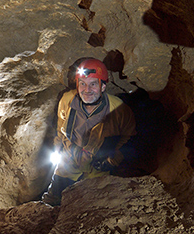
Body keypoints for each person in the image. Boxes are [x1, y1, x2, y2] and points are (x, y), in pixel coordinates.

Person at [41, 58, 136, 206]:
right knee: (52, 201)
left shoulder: (119, 110)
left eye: (93, 84)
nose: (87, 90)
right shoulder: (67, 100)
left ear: (103, 86)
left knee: (89, 209)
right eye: (83, 84)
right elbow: (60, 129)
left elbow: (130, 137)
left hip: (97, 168)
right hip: (69, 164)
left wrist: (113, 160)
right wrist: (57, 149)